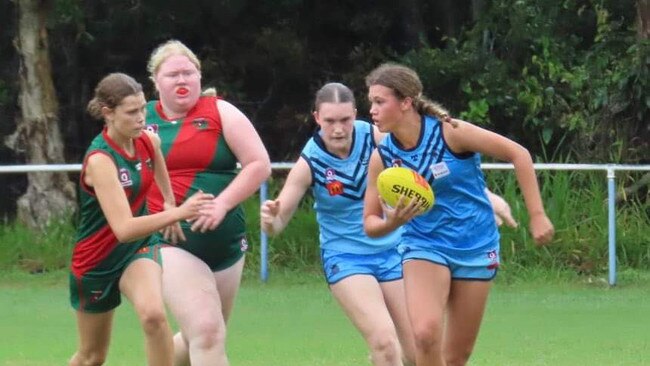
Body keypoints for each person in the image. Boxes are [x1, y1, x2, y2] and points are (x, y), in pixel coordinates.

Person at [260, 83, 518, 366]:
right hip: (347, 258)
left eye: (345, 120)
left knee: (418, 351)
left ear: (355, 115)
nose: (338, 129)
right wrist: (271, 221)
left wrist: (488, 198)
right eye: (330, 121)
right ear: (317, 118)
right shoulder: (311, 161)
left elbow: (428, 163)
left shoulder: (375, 137)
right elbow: (279, 220)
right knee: (384, 342)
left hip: (395, 251)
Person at [362, 63, 554, 366]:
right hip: (424, 244)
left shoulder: (452, 133)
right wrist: (393, 223)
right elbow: (370, 225)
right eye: (370, 102)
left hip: (475, 245)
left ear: (406, 102)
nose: (371, 110)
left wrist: (538, 215)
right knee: (424, 335)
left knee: (455, 358)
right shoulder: (382, 157)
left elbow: (519, 154)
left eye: (379, 101)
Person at [69, 73, 213, 366]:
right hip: (96, 261)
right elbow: (123, 229)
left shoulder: (146, 139)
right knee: (92, 357)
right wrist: (178, 212)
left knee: (154, 316)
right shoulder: (101, 160)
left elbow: (156, 153)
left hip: (138, 249)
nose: (141, 118)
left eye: (143, 109)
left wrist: (169, 198)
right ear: (108, 113)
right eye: (132, 112)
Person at [145, 40, 271, 366]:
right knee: (207, 331)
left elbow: (259, 164)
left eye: (189, 72)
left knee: (198, 337)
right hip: (170, 240)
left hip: (226, 244)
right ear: (155, 81)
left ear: (200, 77)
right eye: (173, 74)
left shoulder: (220, 111)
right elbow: (117, 174)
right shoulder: (140, 120)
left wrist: (222, 204)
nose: (182, 80)